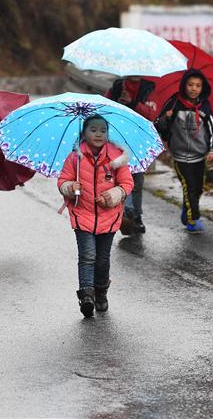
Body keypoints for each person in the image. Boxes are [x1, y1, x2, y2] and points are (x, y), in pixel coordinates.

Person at [58, 115, 134, 317]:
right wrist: (70, 187)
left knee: (102, 259)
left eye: (103, 130)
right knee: (87, 256)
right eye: (93, 130)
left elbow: (127, 184)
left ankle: (101, 291)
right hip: (82, 214)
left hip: (109, 218)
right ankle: (86, 295)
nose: (98, 134)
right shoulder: (75, 157)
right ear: (84, 133)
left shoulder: (116, 158)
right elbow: (62, 181)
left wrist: (113, 195)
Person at [154, 69, 213, 233]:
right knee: (188, 186)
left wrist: (212, 150)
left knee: (197, 188)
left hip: (199, 156)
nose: (194, 89)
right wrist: (166, 118)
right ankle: (192, 219)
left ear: (202, 88)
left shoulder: (205, 107)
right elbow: (158, 126)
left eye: (198, 85)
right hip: (180, 156)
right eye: (190, 85)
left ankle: (187, 210)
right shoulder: (175, 103)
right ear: (184, 86)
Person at [104, 76, 156, 235]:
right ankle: (125, 212)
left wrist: (133, 103)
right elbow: (104, 110)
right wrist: (118, 103)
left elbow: (152, 114)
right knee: (120, 178)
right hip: (118, 139)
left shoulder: (149, 89)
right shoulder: (117, 87)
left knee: (137, 180)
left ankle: (136, 215)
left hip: (139, 140)